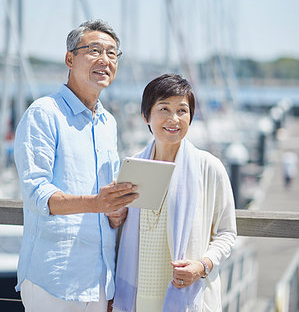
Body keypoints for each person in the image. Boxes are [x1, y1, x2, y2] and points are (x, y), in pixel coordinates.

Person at [14, 19, 138, 312]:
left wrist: (114, 210)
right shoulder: (44, 114)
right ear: (70, 58)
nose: (105, 60)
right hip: (54, 279)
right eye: (95, 50)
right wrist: (97, 203)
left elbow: (103, 201)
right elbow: (36, 194)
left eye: (112, 53)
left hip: (100, 280)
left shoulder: (109, 123)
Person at [112, 74, 237, 312]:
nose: (174, 119)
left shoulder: (208, 167)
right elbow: (116, 228)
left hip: (188, 295)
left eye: (182, 110)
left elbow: (227, 232)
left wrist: (202, 266)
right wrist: (114, 216)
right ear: (146, 116)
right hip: (137, 298)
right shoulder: (132, 167)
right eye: (164, 108)